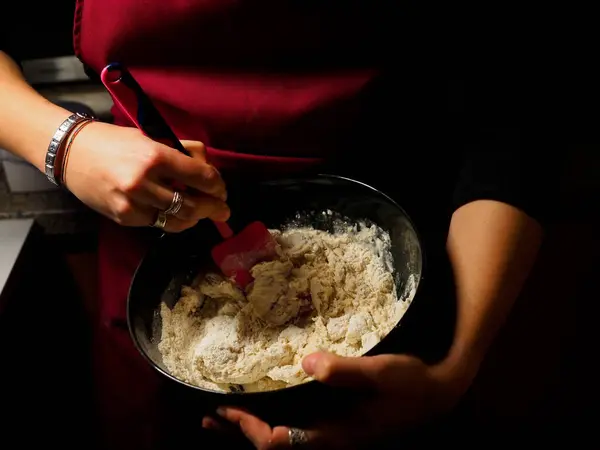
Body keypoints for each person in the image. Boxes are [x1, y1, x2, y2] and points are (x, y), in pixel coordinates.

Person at [0, 1, 555, 448]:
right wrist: (63, 145)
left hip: (409, 264)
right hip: (152, 256)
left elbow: (517, 111)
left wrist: (452, 374)